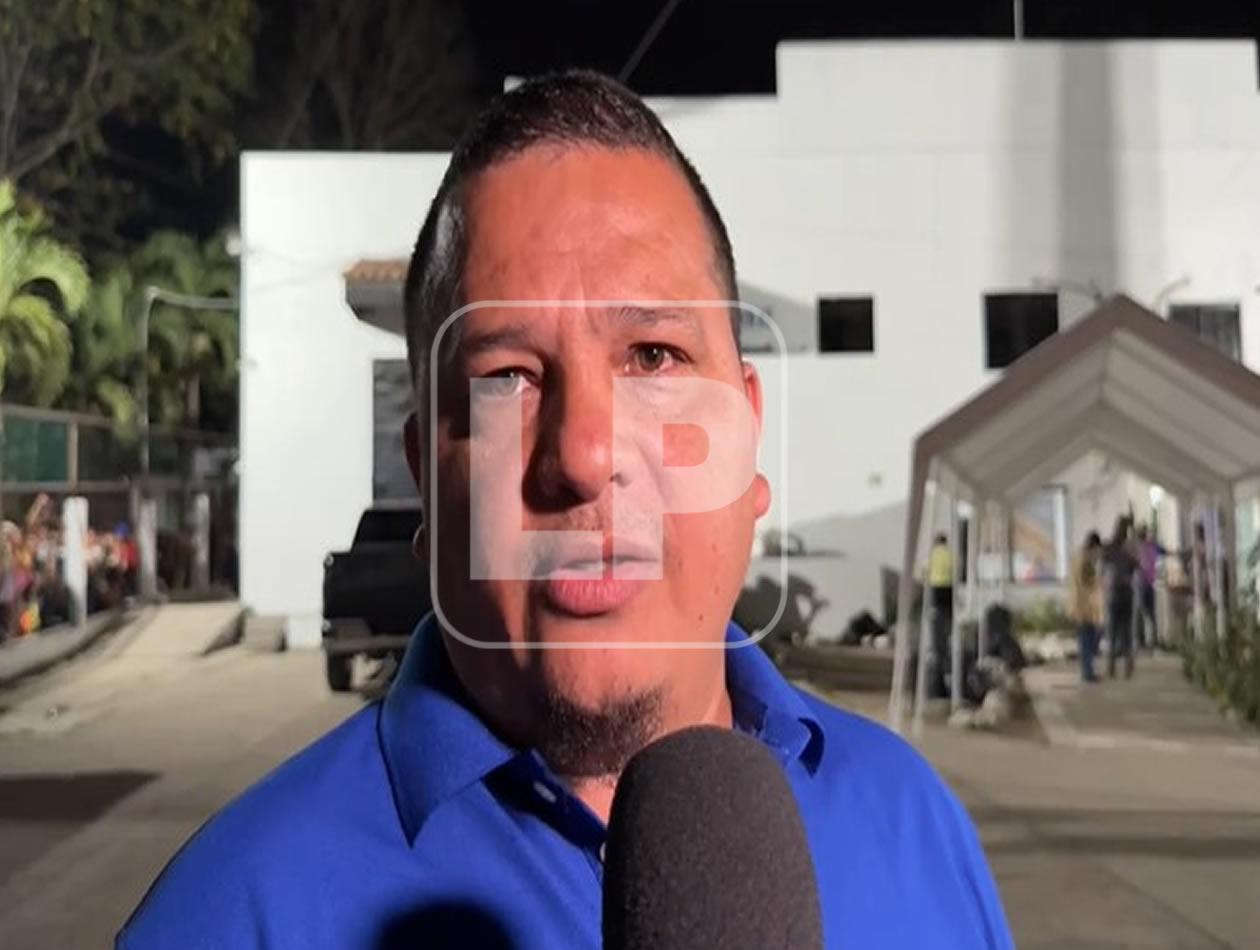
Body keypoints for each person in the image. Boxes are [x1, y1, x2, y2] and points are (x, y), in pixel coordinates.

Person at [118, 71, 1013, 949]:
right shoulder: (233, 917)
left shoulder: (911, 822)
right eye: (506, 376)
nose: (582, 456)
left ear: (748, 435)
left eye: (654, 357)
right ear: (427, 478)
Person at [1103, 517, 1139, 679]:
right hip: (1126, 593)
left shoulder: (1109, 548)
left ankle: (1111, 666)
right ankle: (1128, 666)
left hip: (1114, 593)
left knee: (1112, 631)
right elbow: (1136, 566)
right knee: (1126, 631)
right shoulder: (1129, 549)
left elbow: (1104, 566)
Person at [1068, 531, 1104, 682]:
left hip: (1077, 604)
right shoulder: (1086, 562)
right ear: (1093, 547)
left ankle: (1087, 671)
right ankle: (1087, 672)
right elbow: (1089, 584)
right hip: (1085, 607)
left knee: (1086, 639)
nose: (1098, 555)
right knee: (1087, 640)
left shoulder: (1076, 558)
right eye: (1097, 551)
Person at [927, 531, 954, 697]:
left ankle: (939, 649)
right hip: (948, 591)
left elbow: (925, 571)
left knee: (937, 624)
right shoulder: (950, 554)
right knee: (947, 622)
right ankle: (947, 640)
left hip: (935, 591)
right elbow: (955, 570)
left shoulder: (932, 555)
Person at [1134, 524, 1164, 650]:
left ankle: (1149, 640)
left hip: (1146, 584)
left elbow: (1163, 551)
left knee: (1147, 613)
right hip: (1142, 584)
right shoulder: (1138, 548)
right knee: (1143, 613)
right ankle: (1143, 640)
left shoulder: (1151, 547)